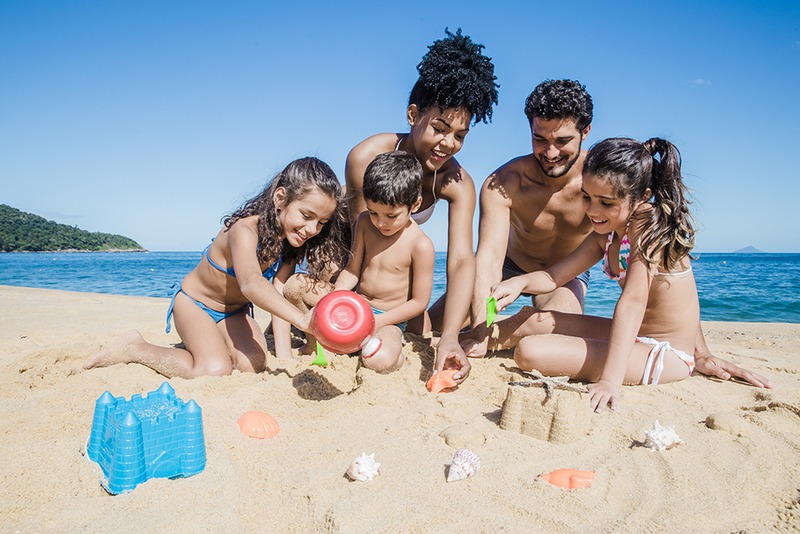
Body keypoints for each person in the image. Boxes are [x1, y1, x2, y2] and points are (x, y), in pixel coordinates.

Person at [463, 79, 770, 389]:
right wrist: (519, 283)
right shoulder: (605, 233)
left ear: (640, 197)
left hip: (666, 351)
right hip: (634, 336)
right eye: (586, 198)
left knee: (531, 351)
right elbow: (554, 276)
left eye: (606, 203)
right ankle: (472, 343)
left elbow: (635, 301)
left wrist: (611, 379)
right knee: (530, 319)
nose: (593, 211)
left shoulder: (646, 226)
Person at [84, 157, 349, 378]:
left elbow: (277, 294)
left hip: (234, 312)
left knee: (253, 364)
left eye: (322, 222)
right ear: (281, 198)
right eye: (306, 216)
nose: (313, 229)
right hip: (195, 305)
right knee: (214, 369)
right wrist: (303, 320)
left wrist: (285, 356)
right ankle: (136, 348)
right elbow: (251, 284)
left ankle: (212, 342)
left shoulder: (291, 241)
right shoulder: (244, 229)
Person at [341, 28, 498, 383]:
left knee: (448, 316)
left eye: (460, 135)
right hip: (354, 261)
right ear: (413, 115)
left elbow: (460, 260)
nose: (449, 144)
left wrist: (450, 337)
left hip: (401, 280)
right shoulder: (366, 158)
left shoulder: (457, 183)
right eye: (440, 129)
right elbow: (360, 239)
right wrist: (348, 313)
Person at [331, 151, 435, 372]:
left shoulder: (420, 245)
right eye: (373, 212)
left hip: (388, 320)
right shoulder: (364, 223)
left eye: (391, 216)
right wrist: (335, 298)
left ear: (415, 205)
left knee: (379, 359)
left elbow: (419, 302)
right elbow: (352, 271)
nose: (380, 223)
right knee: (298, 289)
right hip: (357, 307)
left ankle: (398, 360)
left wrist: (376, 323)